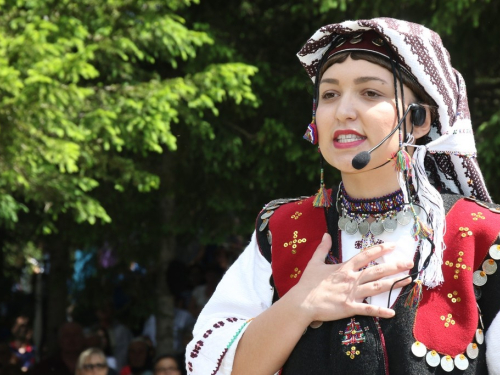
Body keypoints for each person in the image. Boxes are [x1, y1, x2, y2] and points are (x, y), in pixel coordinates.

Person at [185, 18, 500, 375]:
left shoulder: (481, 235)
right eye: (329, 94)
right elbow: (213, 366)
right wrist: (302, 304)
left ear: (420, 119)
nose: (343, 111)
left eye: (370, 93)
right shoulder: (283, 230)